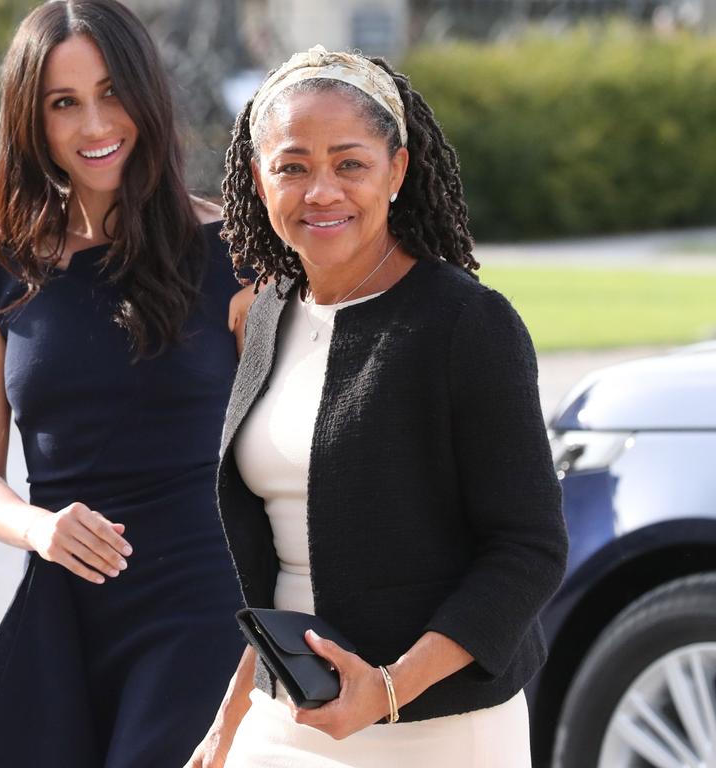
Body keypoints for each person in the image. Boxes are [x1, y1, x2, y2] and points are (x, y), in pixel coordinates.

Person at [187, 46, 569, 768]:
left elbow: (529, 549)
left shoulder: (465, 324)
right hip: (282, 719)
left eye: (350, 163)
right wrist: (231, 715)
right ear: (257, 180)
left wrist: (388, 689)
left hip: (434, 730)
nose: (320, 191)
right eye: (292, 166)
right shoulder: (266, 313)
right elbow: (282, 550)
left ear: (396, 171)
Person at [0, 1, 253, 765]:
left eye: (112, 93)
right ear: (30, 118)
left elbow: (283, 454)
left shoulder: (233, 256)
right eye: (64, 103)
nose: (94, 125)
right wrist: (38, 527)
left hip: (202, 606)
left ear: (146, 96)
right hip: (63, 607)